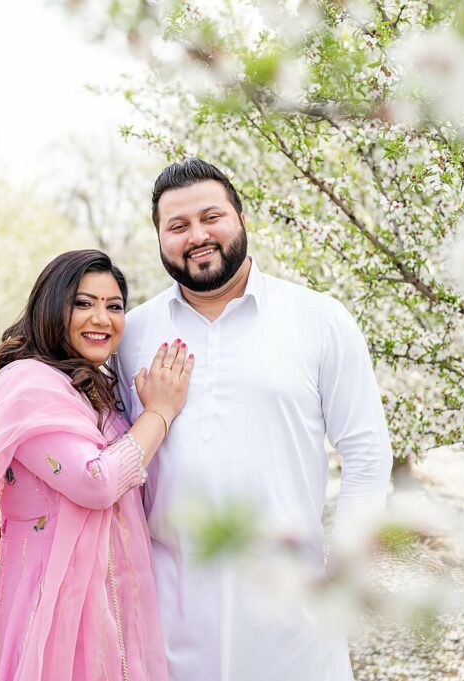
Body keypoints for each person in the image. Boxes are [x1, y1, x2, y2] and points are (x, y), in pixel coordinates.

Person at [115, 158, 393, 681]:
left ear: (242, 218)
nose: (196, 236)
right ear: (159, 238)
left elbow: (366, 451)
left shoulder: (319, 319)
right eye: (177, 226)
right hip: (165, 611)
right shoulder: (130, 334)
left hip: (292, 614)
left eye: (210, 217)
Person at [0, 249, 194, 681]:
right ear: (52, 306)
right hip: (50, 611)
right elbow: (96, 482)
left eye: (114, 306)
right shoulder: (28, 383)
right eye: (83, 303)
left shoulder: (92, 389)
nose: (102, 318)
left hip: (99, 608)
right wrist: (160, 413)